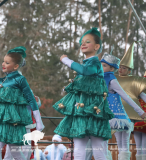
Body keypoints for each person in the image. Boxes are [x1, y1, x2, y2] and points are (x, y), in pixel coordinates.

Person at [53, 28, 114, 159]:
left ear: (97, 46)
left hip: (94, 114)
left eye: (87, 42)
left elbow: (85, 71)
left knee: (99, 152)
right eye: (81, 42)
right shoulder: (86, 65)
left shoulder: (96, 63)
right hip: (81, 114)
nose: (83, 44)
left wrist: (66, 60)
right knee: (79, 150)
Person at [0, 46, 44, 160]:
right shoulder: (2, 80)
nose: (3, 64)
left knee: (8, 151)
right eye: (3, 61)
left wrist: (39, 121)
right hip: (3, 121)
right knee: (6, 150)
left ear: (16, 66)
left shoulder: (20, 80)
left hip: (14, 122)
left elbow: (31, 99)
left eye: (7, 62)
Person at [86, 51, 146, 160]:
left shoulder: (112, 80)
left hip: (115, 116)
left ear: (112, 69)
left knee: (122, 142)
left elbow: (126, 96)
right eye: (101, 65)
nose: (101, 67)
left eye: (104, 65)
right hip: (103, 114)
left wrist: (140, 111)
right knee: (104, 141)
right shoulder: (99, 78)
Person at [116, 42, 146, 160]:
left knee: (125, 140)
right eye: (120, 67)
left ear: (129, 70)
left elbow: (142, 95)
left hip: (129, 115)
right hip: (115, 113)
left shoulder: (133, 81)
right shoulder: (113, 79)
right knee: (118, 140)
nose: (121, 69)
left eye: (124, 68)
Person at [4, 94, 42, 160]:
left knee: (26, 146)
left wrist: (36, 100)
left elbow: (36, 104)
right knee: (11, 144)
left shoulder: (27, 91)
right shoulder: (11, 91)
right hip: (14, 122)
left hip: (25, 122)